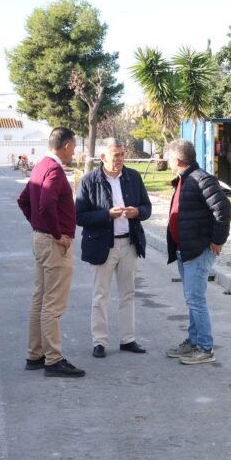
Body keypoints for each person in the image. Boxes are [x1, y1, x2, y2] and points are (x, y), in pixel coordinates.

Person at [17, 127, 84, 378]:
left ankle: (35, 354)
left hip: (41, 239)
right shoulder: (54, 170)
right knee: (53, 304)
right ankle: (53, 360)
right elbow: (45, 204)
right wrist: (56, 234)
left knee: (41, 298)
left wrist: (39, 226)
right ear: (66, 146)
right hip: (53, 243)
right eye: (74, 147)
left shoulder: (39, 167)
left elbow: (24, 201)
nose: (74, 152)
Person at [75, 139, 152, 359]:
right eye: (115, 155)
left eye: (121, 154)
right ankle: (99, 341)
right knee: (100, 295)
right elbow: (79, 216)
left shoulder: (133, 177)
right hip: (102, 245)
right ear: (103, 157)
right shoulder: (89, 180)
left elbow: (147, 207)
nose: (119, 159)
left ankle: (128, 339)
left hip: (129, 243)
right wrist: (106, 215)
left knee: (128, 293)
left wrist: (137, 212)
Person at [163, 139, 231, 365]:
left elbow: (223, 208)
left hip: (198, 250)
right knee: (192, 299)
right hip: (185, 249)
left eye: (169, 158)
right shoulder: (185, 179)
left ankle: (204, 347)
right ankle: (193, 342)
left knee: (195, 299)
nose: (167, 162)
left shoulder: (201, 179)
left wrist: (218, 239)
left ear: (177, 160)